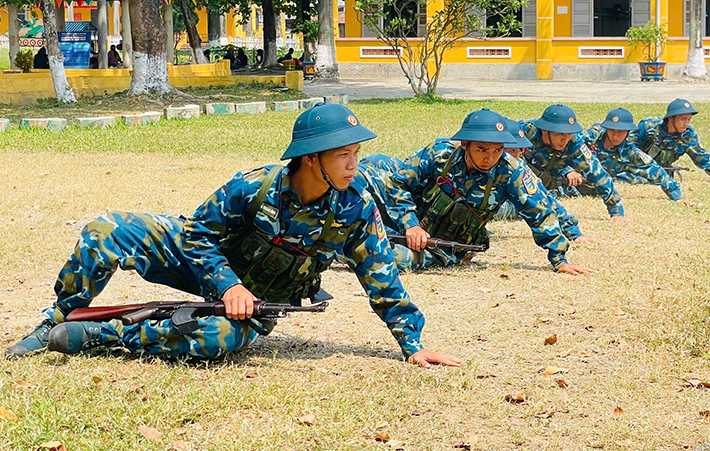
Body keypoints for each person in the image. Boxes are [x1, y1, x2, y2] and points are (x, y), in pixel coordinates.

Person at [6, 104, 461, 369]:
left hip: (259, 299)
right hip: (209, 269)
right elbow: (196, 233)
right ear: (310, 159)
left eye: (356, 154)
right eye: (343, 155)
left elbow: (381, 276)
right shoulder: (255, 185)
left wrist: (413, 345)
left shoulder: (355, 206)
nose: (353, 165)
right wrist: (227, 283)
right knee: (106, 229)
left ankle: (100, 334)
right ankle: (56, 317)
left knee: (216, 341)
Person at [361, 109, 591, 275]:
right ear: (465, 144)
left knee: (378, 257)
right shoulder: (441, 153)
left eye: (498, 150)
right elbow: (398, 183)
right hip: (404, 221)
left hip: (442, 245)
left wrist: (559, 259)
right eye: (482, 149)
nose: (490, 157)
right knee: (361, 174)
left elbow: (540, 211)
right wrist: (411, 223)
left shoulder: (511, 171)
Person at [520, 104, 626, 222]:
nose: (564, 139)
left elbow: (598, 173)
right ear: (545, 131)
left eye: (569, 133)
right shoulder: (525, 131)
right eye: (559, 134)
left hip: (550, 180)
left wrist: (617, 211)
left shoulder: (574, 142)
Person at [493, 118, 587, 242]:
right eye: (510, 151)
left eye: (519, 150)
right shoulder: (470, 162)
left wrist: (575, 234)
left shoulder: (518, 168)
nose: (516, 157)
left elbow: (545, 200)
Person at [581, 108, 693, 205]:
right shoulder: (593, 137)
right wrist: (570, 171)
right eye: (611, 130)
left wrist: (677, 196)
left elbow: (656, 172)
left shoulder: (630, 152)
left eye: (620, 132)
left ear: (628, 133)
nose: (615, 136)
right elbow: (569, 147)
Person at [628, 99, 710, 183]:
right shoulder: (649, 126)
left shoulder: (687, 135)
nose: (686, 123)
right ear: (671, 118)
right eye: (683, 119)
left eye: (689, 119)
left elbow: (702, 158)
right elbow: (627, 147)